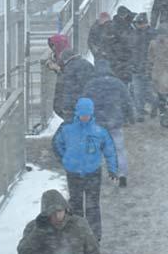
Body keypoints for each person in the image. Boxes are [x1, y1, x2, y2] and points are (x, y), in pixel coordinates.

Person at [52, 98, 118, 241]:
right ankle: (77, 236)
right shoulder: (67, 128)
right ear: (77, 113)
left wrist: (113, 169)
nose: (85, 117)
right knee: (75, 206)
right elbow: (57, 144)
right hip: (74, 173)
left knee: (93, 206)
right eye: (82, 114)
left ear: (91, 113)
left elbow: (109, 150)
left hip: (93, 173)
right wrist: (66, 159)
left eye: (87, 115)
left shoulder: (99, 130)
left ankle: (94, 237)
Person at [82, 60, 134, 188]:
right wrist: (131, 116)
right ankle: (122, 175)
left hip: (97, 123)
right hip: (114, 121)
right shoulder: (117, 83)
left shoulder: (90, 85)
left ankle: (93, 176)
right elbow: (127, 100)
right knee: (119, 149)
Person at [17, 189, 100, 254]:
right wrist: (38, 231)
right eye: (52, 213)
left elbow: (93, 250)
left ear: (65, 209)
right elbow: (23, 251)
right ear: (46, 214)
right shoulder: (34, 227)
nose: (57, 216)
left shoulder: (79, 224)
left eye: (59, 211)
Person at [130, 13, 158, 122]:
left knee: (144, 91)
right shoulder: (138, 34)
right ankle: (140, 112)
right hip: (138, 67)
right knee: (138, 91)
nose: (138, 25)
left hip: (147, 68)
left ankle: (153, 103)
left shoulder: (150, 35)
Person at [60, 49, 95, 121]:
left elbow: (69, 89)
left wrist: (67, 108)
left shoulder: (70, 68)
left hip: (76, 102)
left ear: (66, 59)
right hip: (89, 101)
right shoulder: (87, 63)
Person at [46, 34, 71, 120]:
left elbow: (67, 72)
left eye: (54, 46)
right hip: (63, 88)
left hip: (66, 90)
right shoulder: (58, 55)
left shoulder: (65, 57)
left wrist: (56, 68)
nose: (53, 49)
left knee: (60, 107)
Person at [110, 6, 136, 85]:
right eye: (121, 16)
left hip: (130, 48)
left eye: (124, 15)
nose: (123, 17)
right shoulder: (115, 23)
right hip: (122, 50)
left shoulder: (134, 19)